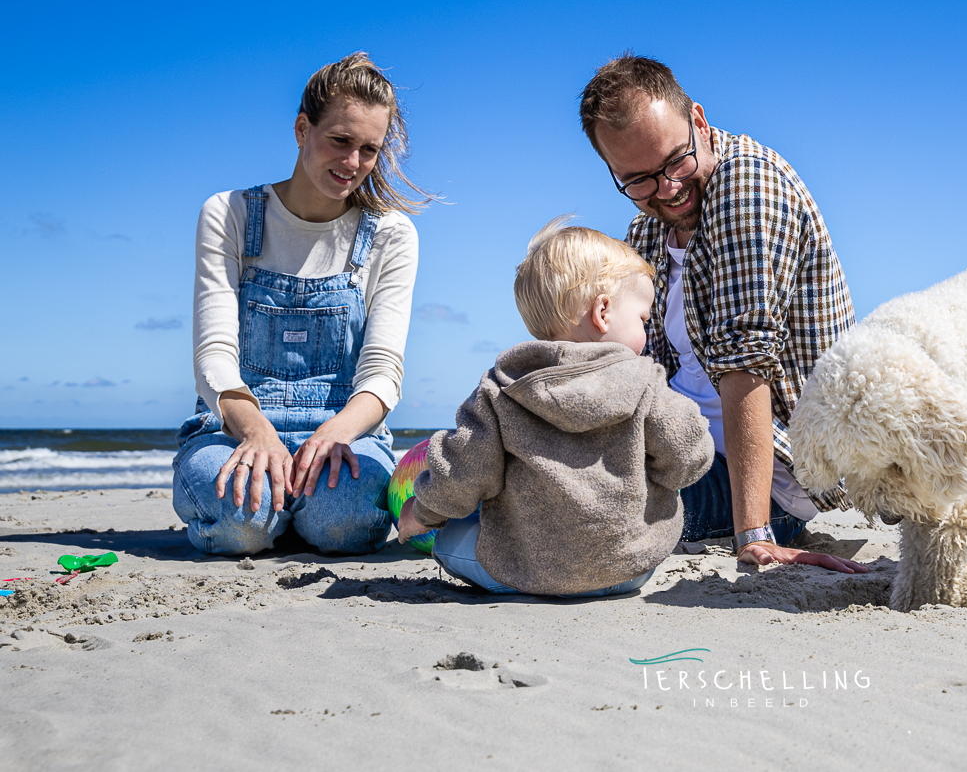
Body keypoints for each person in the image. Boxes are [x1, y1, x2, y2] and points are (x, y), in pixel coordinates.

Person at [579, 54, 868, 575]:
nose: (666, 189)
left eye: (675, 161)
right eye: (638, 179)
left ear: (699, 121)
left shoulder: (746, 191)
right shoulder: (647, 230)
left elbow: (745, 365)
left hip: (772, 478)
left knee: (588, 506)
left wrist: (752, 535)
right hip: (683, 446)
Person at [173, 52, 428, 555]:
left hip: (343, 430)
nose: (352, 163)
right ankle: (272, 513)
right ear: (301, 129)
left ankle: (296, 511)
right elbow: (214, 356)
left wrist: (337, 432)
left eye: (368, 149)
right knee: (238, 522)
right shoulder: (229, 214)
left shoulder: (391, 235)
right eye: (339, 140)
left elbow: (382, 371)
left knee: (346, 524)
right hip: (236, 426)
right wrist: (257, 432)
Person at [395, 219, 714, 597]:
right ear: (603, 311)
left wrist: (420, 512)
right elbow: (690, 457)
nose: (647, 334)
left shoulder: (501, 388)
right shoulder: (645, 382)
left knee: (449, 542)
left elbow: (463, 473)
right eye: (643, 319)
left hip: (524, 570)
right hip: (626, 570)